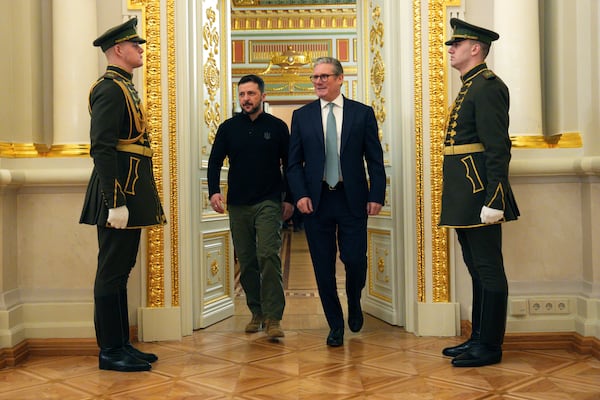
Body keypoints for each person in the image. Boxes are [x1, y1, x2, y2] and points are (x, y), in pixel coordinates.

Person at [80, 17, 166, 372]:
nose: (141, 49)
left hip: (130, 188)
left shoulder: (124, 86)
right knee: (111, 271)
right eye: (136, 45)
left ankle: (121, 344)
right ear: (119, 49)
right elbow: (101, 147)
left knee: (121, 269)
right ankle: (109, 350)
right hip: (120, 192)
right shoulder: (109, 88)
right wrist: (114, 201)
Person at [287, 57, 386, 347]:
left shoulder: (362, 113)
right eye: (315, 77)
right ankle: (335, 324)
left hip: (352, 197)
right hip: (316, 202)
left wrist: (376, 194)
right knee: (322, 265)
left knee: (355, 260)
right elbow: (293, 164)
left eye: (324, 76)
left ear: (340, 79)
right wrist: (301, 194)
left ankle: (354, 301)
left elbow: (374, 159)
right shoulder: (302, 116)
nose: (318, 81)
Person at [440, 18, 519, 367]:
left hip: (479, 194)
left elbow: (497, 148)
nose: (450, 48)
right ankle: (478, 337)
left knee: (488, 270)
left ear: (476, 48)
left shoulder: (487, 86)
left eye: (457, 43)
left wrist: (494, 199)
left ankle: (490, 346)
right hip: (464, 195)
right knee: (475, 268)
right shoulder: (469, 85)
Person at [207, 74, 294, 339]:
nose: (246, 99)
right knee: (246, 261)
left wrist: (289, 198)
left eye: (251, 94)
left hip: (268, 200)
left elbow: (290, 165)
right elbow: (214, 162)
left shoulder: (278, 127)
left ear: (263, 97)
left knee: (268, 255)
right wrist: (213, 192)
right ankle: (256, 312)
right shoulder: (228, 128)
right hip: (238, 204)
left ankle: (273, 317)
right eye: (242, 94)